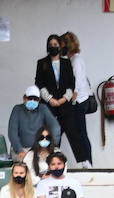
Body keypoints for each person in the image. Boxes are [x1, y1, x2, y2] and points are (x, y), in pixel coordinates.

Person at [35, 34, 81, 162]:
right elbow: (39, 83)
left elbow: (72, 83)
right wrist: (50, 99)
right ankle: (49, 161)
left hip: (65, 104)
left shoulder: (67, 63)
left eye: (56, 45)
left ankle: (83, 161)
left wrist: (64, 99)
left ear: (60, 47)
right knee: (51, 134)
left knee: (74, 133)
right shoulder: (42, 63)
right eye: (51, 45)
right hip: (49, 105)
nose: (53, 47)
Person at [62, 32, 95, 166]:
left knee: (81, 133)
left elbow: (78, 81)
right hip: (77, 101)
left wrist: (73, 99)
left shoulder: (76, 60)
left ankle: (87, 162)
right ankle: (85, 161)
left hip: (79, 101)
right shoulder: (72, 60)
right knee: (78, 132)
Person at [7, 86, 61, 161]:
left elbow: (55, 127)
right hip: (22, 150)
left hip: (41, 149)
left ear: (39, 100)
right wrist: (20, 150)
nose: (32, 101)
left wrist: (51, 146)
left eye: (35, 99)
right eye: (30, 98)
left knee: (58, 158)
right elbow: (12, 133)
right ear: (24, 98)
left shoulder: (43, 108)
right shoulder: (17, 109)